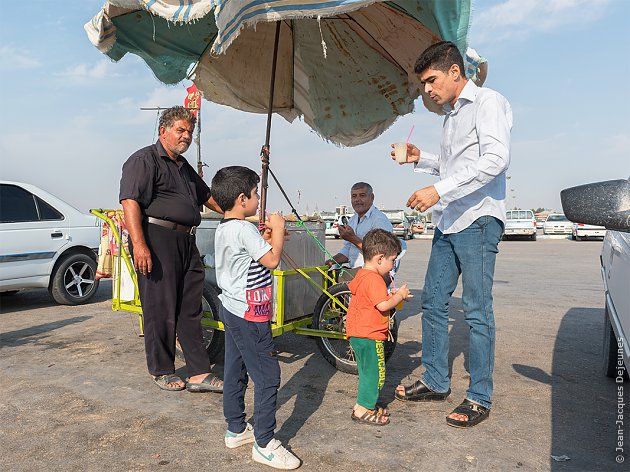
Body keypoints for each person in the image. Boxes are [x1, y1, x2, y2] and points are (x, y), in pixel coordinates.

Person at [391, 41, 512, 428]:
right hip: (450, 221)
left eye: (431, 80)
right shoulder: (450, 117)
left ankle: (479, 396)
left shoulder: (488, 102)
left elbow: (494, 160)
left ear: (455, 73)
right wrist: (419, 159)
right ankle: (436, 380)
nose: (427, 89)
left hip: (478, 220)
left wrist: (438, 191)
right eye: (424, 82)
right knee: (433, 304)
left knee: (476, 311)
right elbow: (451, 165)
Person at [119, 106, 223, 393]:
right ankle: (162, 369)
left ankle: (200, 372)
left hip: (186, 241)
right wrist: (140, 245)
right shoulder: (143, 160)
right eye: (180, 130)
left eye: (189, 131)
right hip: (155, 238)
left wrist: (235, 214)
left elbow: (208, 197)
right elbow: (130, 203)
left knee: (191, 307)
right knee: (160, 307)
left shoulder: (184, 166)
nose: (186, 136)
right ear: (163, 131)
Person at [211, 166, 301, 470]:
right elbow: (273, 261)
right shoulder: (243, 229)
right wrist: (277, 228)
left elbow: (253, 256)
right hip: (250, 313)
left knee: (235, 367)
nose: (258, 199)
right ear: (242, 198)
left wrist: (268, 236)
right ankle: (264, 443)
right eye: (255, 193)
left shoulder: (226, 227)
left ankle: (236, 428)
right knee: (267, 376)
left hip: (232, 308)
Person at [346, 229, 412, 426]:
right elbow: (383, 305)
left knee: (367, 372)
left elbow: (373, 299)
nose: (393, 266)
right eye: (392, 260)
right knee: (375, 374)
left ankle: (362, 406)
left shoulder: (362, 274)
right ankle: (364, 410)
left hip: (358, 334)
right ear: (380, 258)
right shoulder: (374, 279)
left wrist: (390, 295)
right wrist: (399, 296)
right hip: (370, 335)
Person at [326, 182, 393, 269]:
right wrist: (329, 262)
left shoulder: (379, 220)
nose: (357, 200)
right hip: (355, 272)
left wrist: (353, 238)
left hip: (372, 275)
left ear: (372, 197)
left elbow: (380, 254)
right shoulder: (353, 220)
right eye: (354, 196)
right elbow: (348, 251)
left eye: (362, 195)